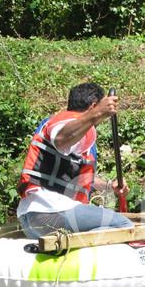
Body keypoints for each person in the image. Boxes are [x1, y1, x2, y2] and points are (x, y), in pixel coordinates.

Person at [16, 82, 133, 239]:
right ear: (93, 106)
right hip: (50, 214)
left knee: (109, 224)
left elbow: (80, 179)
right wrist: (95, 114)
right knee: (123, 225)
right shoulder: (62, 123)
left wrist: (109, 186)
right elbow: (61, 139)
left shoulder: (80, 132)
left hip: (35, 218)